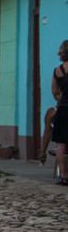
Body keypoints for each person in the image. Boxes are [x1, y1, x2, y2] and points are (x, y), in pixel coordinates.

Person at [50, 39, 68, 185]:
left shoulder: (58, 70)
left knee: (61, 144)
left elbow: (54, 91)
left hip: (63, 109)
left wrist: (62, 97)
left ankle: (63, 175)